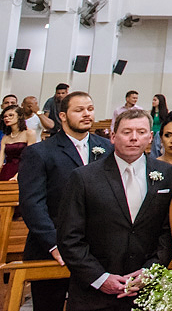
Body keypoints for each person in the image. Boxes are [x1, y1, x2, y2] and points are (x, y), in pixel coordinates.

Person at [56, 109, 172, 310]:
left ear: (150, 137)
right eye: (127, 132)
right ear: (113, 137)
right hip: (93, 293)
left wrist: (151, 271)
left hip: (147, 291)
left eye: (141, 132)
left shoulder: (168, 174)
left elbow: (168, 231)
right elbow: (69, 237)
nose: (133, 138)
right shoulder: (84, 177)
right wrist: (99, 278)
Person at [19, 91, 113, 311]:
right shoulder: (39, 153)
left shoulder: (107, 148)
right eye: (79, 110)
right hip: (50, 249)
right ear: (62, 116)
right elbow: (32, 204)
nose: (86, 114)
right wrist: (54, 245)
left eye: (90, 109)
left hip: (95, 251)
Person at [0, 104, 36, 180]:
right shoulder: (5, 137)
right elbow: (1, 159)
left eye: (11, 115)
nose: (7, 118)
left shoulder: (29, 133)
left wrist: (18, 175)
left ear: (19, 116)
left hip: (23, 170)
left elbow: (29, 157)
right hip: (7, 170)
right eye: (5, 116)